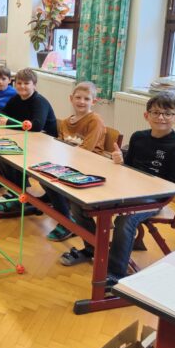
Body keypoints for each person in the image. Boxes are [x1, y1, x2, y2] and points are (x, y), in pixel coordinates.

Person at [59, 92, 175, 285]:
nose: (161, 117)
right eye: (155, 112)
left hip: (155, 198)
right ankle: (92, 248)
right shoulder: (138, 137)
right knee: (79, 203)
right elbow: (128, 167)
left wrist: (145, 186)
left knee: (125, 220)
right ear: (146, 115)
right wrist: (120, 160)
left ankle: (115, 273)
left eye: (167, 113)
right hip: (126, 189)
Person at [0, 68, 57, 219]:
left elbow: (36, 126)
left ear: (34, 85)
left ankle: (19, 193)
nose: (22, 86)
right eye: (19, 83)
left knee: (10, 157)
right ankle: (17, 192)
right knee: (1, 155)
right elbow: (3, 114)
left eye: (26, 83)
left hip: (45, 145)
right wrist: (2, 118)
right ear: (15, 84)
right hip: (26, 139)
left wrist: (9, 122)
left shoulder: (39, 102)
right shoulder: (16, 99)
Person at [44, 81, 106, 241]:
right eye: (78, 97)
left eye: (86, 99)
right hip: (71, 162)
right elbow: (59, 144)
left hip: (90, 166)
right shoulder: (66, 122)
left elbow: (86, 150)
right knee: (44, 177)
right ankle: (66, 218)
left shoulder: (95, 121)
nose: (81, 102)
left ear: (94, 101)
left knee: (53, 180)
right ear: (71, 99)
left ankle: (67, 222)